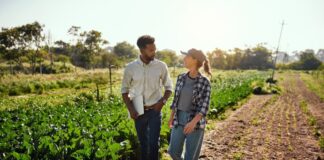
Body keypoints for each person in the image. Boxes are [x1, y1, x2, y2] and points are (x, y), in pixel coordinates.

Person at [121, 35, 173, 160]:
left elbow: (169, 87)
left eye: (154, 49)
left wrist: (162, 102)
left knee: (153, 143)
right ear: (141, 50)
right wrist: (131, 110)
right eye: (151, 50)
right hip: (138, 112)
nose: (154, 52)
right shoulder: (130, 68)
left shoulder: (161, 66)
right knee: (143, 144)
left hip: (155, 110)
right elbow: (124, 91)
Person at [168, 48, 211, 160]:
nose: (184, 59)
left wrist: (193, 123)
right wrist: (171, 117)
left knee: (190, 157)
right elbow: (176, 99)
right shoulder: (181, 78)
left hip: (195, 122)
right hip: (179, 118)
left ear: (195, 60)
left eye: (187, 56)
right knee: (173, 152)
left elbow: (204, 107)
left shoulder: (205, 82)